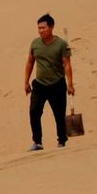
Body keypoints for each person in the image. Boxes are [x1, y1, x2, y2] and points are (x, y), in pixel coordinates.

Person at [23, 13, 74, 151]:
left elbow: (67, 65)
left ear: (51, 27)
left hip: (57, 84)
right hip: (39, 84)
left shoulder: (61, 44)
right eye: (39, 28)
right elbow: (29, 62)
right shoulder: (35, 43)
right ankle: (37, 142)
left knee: (59, 114)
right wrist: (26, 81)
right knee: (34, 112)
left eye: (43, 28)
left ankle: (62, 141)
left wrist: (70, 84)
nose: (40, 30)